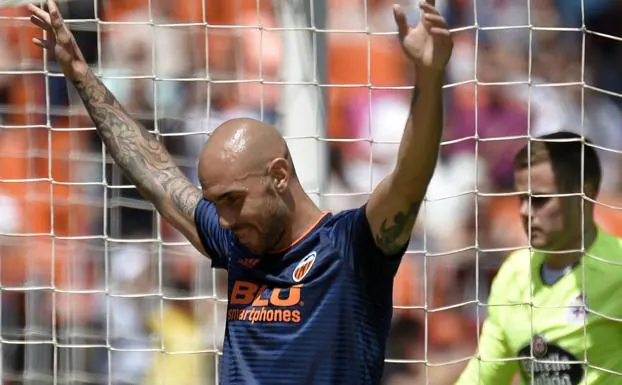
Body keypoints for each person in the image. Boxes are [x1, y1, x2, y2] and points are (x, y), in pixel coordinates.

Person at [27, 0, 452, 383]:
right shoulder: (236, 241)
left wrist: (430, 78)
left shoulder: (350, 248)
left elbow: (410, 177)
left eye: (233, 200)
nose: (224, 219)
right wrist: (81, 73)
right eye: (216, 204)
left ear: (280, 175)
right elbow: (154, 173)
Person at [455, 131, 622, 385]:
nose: (524, 211)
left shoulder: (617, 268)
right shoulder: (513, 273)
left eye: (540, 200)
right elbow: (484, 377)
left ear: (583, 196)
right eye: (522, 199)